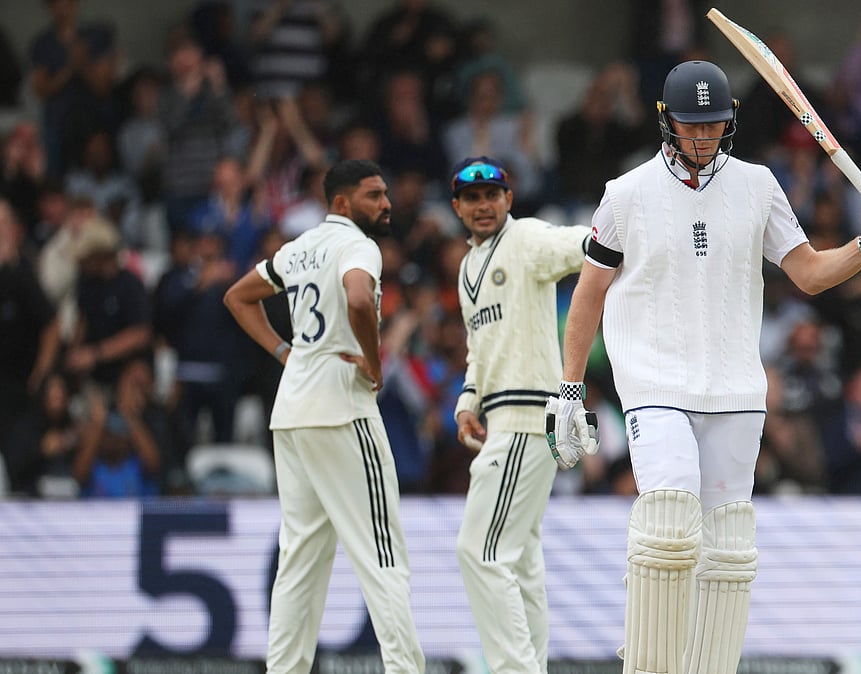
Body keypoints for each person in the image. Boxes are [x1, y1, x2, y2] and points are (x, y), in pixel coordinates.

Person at [546, 61, 861, 674]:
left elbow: (809, 273)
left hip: (735, 386)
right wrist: (569, 386)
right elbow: (588, 293)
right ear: (666, 122)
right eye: (691, 127)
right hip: (654, 380)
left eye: (714, 125)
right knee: (667, 528)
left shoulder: (758, 185)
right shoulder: (627, 193)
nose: (703, 138)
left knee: (727, 553)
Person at [223, 159, 424, 674]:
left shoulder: (299, 247)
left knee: (301, 559)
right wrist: (375, 360)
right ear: (341, 203)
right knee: (382, 556)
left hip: (292, 411)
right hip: (341, 407)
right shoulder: (359, 246)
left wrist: (284, 352)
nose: (386, 204)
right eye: (374, 195)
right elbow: (359, 297)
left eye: (385, 194)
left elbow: (238, 297)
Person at [448, 156, 589, 673]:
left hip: (528, 421)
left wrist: (614, 232)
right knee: (521, 561)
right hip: (506, 418)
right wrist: (468, 403)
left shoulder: (525, 239)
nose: (483, 206)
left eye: (493, 195)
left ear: (509, 199)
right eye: (472, 198)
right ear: (457, 207)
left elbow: (573, 245)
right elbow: (478, 348)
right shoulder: (468, 267)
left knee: (479, 552)